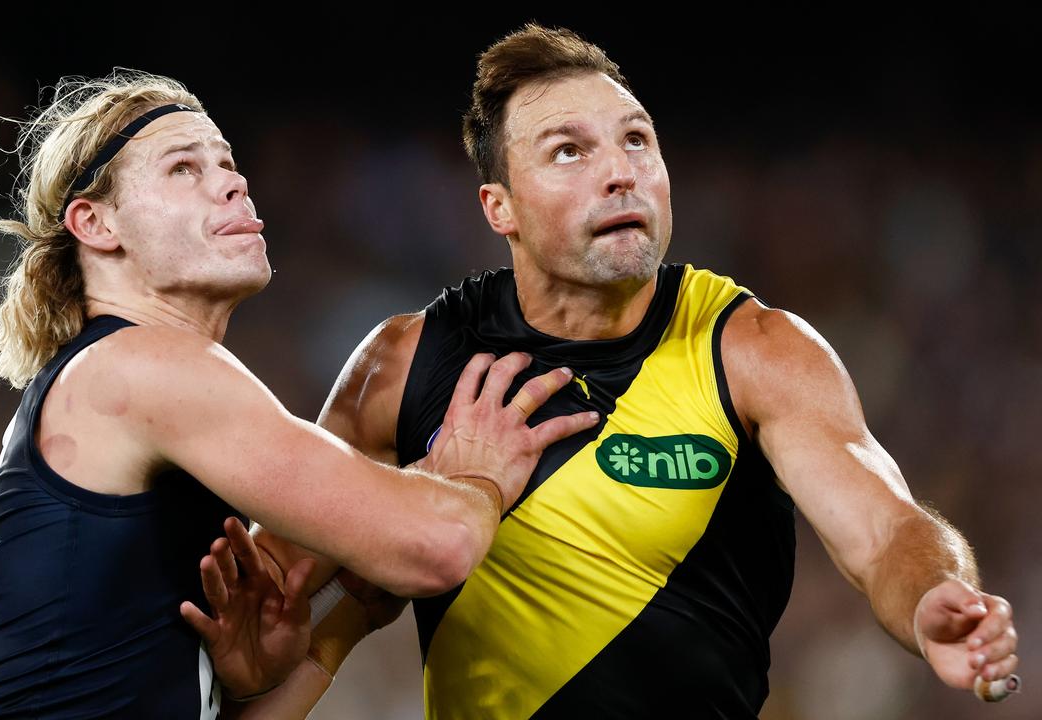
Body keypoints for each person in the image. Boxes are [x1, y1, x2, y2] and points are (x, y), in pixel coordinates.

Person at [201, 24, 1022, 719]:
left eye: (637, 140)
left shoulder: (753, 349)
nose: (621, 169)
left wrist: (930, 598)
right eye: (569, 151)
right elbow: (281, 590)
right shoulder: (401, 367)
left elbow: (884, 529)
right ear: (501, 209)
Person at [0, 69, 598, 720]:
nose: (231, 184)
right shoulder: (142, 366)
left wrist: (339, 629)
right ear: (97, 224)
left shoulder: (109, 392)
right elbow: (436, 547)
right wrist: (477, 478)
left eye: (227, 164)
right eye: (184, 168)